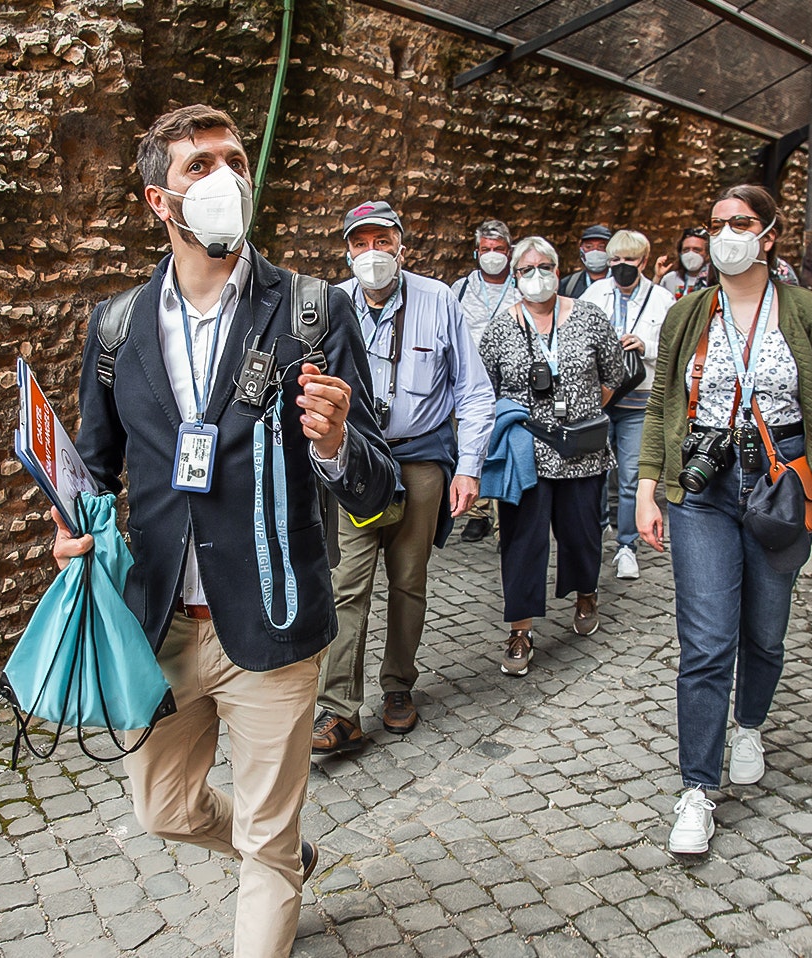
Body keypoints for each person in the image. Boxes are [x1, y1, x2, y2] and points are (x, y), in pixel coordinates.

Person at [52, 104, 398, 957]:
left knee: (264, 852)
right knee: (162, 808)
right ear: (157, 202)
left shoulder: (312, 312)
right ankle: (277, 847)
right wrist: (71, 531)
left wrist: (334, 440)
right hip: (161, 623)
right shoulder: (116, 326)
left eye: (233, 159)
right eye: (198, 165)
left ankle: (274, 853)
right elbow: (93, 471)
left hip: (273, 625)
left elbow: (378, 480)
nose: (224, 179)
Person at [634, 185, 812, 855]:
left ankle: (751, 723)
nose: (726, 234)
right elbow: (658, 409)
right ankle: (697, 790)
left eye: (741, 223)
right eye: (716, 224)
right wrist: (647, 489)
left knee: (765, 632)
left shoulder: (810, 313)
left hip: (782, 477)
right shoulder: (684, 314)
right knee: (706, 642)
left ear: (768, 236)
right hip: (702, 483)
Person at [313, 201, 495, 755]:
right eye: (361, 243)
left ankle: (398, 686)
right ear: (348, 251)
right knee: (347, 584)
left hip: (421, 458)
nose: (373, 253)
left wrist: (468, 468)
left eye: (383, 241)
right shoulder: (331, 303)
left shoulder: (439, 300)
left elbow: (473, 390)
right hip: (356, 460)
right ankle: (339, 708)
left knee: (409, 578)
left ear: (401, 244)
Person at [479, 236, 624, 676]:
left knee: (581, 533)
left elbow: (615, 372)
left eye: (544, 266)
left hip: (581, 450)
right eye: (525, 270)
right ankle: (520, 629)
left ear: (559, 271)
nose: (535, 276)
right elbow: (484, 389)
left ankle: (585, 593)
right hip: (526, 452)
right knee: (522, 543)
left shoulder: (589, 317)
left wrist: (585, 413)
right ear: (515, 276)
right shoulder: (500, 328)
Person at [580, 229, 671, 581]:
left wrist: (645, 345)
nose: (620, 267)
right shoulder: (595, 294)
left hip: (640, 400)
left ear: (644, 262)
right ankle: (598, 531)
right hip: (600, 400)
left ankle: (627, 546)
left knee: (633, 476)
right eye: (614, 260)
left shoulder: (662, 300)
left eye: (628, 261)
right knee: (596, 473)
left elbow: (676, 351)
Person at [450, 219, 520, 542]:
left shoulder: (522, 286)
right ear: (476, 251)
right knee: (469, 439)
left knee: (504, 443)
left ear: (510, 251)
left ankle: (502, 512)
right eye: (486, 249)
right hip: (469, 378)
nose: (493, 255)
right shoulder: (461, 289)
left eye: (499, 249)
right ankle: (475, 512)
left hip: (510, 380)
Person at [557, 224, 612, 298]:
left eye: (601, 247)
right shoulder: (568, 285)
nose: (595, 251)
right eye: (589, 247)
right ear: (581, 251)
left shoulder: (621, 283)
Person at [657, 226, 711, 299]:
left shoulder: (715, 281)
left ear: (707, 255)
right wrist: (657, 277)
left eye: (696, 250)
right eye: (686, 250)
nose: (690, 254)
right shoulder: (669, 280)